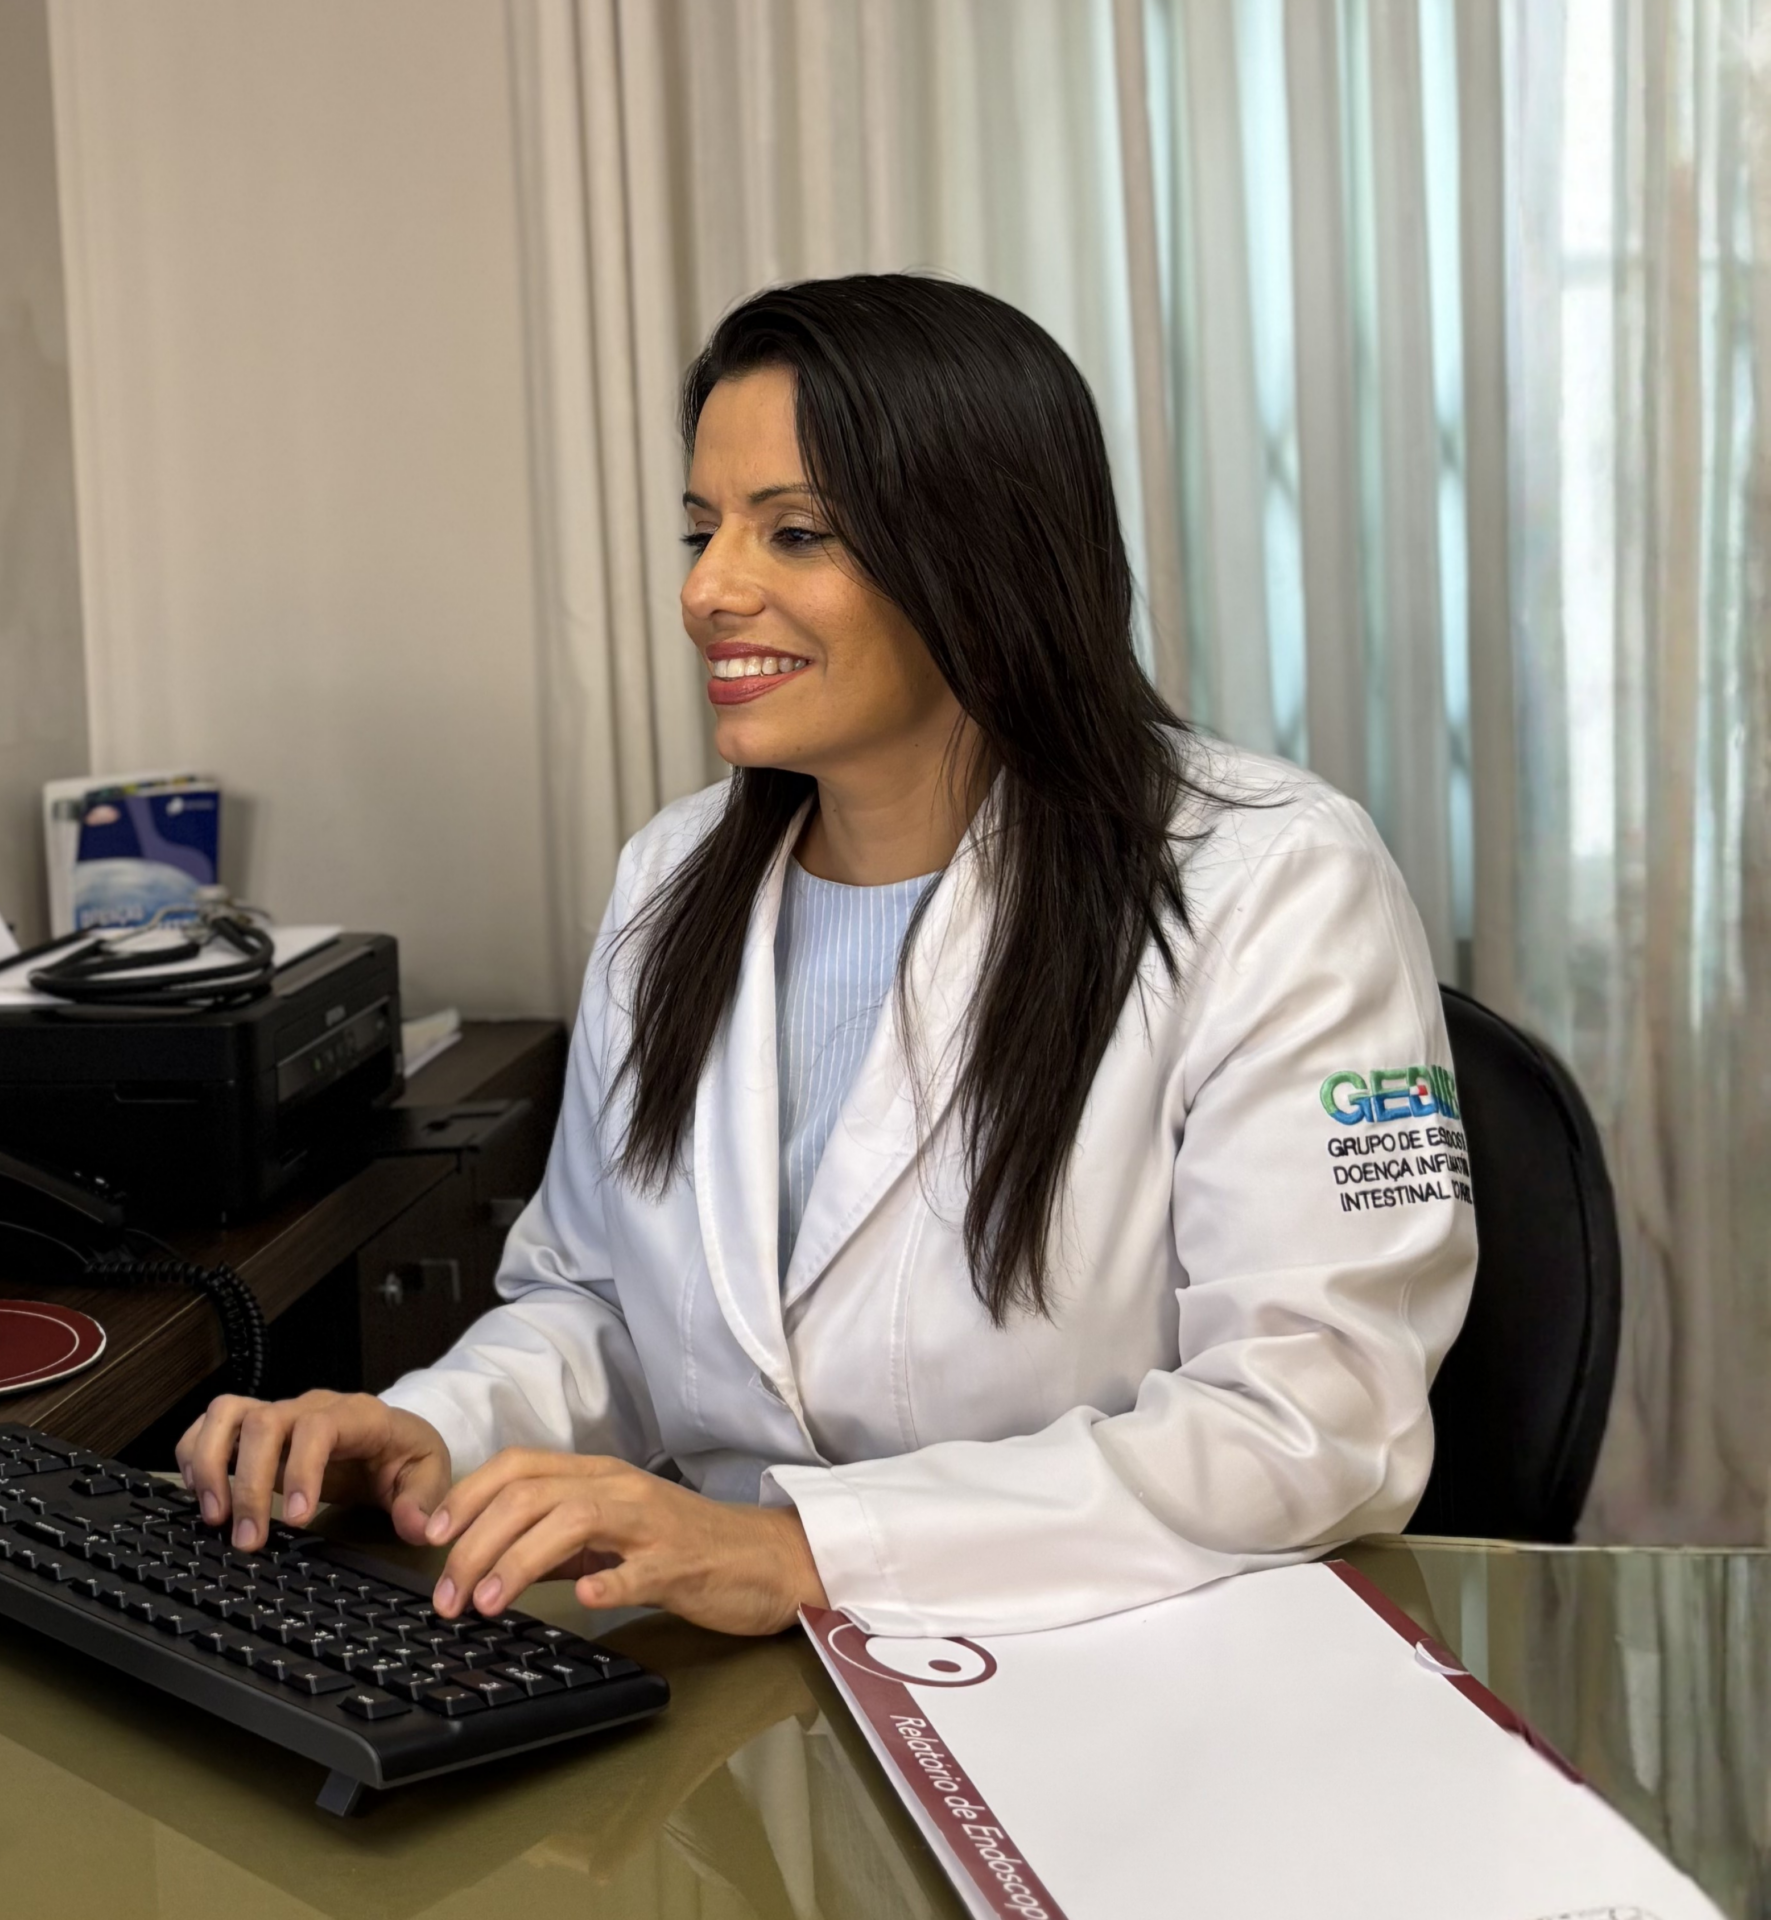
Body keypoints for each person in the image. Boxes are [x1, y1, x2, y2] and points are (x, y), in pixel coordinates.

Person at [177, 274, 1476, 1639]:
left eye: (793, 533)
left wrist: (800, 1551)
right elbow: (601, 1304)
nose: (707, 591)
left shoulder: (1273, 880)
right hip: (739, 1673)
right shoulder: (674, 880)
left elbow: (1312, 1418)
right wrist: (432, 1429)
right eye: (703, 531)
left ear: (985, 557)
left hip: (1113, 1660)